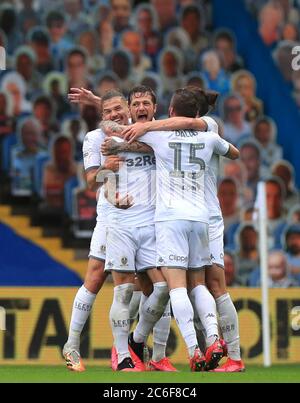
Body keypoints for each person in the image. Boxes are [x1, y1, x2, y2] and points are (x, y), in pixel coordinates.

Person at [121, 87, 245, 372]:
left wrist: (142, 127)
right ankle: (218, 343)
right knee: (203, 284)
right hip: (204, 218)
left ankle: (195, 349)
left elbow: (125, 137)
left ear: (171, 111)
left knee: (179, 286)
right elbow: (235, 153)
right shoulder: (211, 133)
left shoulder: (159, 134)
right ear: (199, 112)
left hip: (171, 219)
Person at [64, 88, 176, 372]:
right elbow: (92, 182)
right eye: (107, 111)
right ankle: (74, 346)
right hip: (114, 220)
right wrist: (106, 168)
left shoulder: (143, 132)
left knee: (156, 287)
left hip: (150, 222)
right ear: (102, 115)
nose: (114, 115)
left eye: (118, 109)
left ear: (127, 109)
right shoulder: (95, 138)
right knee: (97, 278)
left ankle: (145, 349)